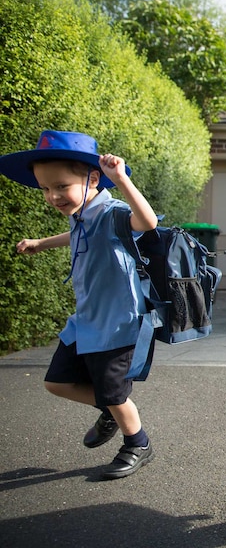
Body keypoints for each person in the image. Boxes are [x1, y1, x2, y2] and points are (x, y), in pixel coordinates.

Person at [0, 130, 159, 480]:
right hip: (86, 321)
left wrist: (121, 180)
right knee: (57, 382)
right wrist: (42, 243)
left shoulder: (113, 212)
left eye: (60, 186)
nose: (52, 196)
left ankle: (138, 443)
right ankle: (111, 411)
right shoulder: (81, 215)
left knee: (116, 394)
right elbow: (75, 234)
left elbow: (147, 223)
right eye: (44, 188)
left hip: (117, 324)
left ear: (92, 178)